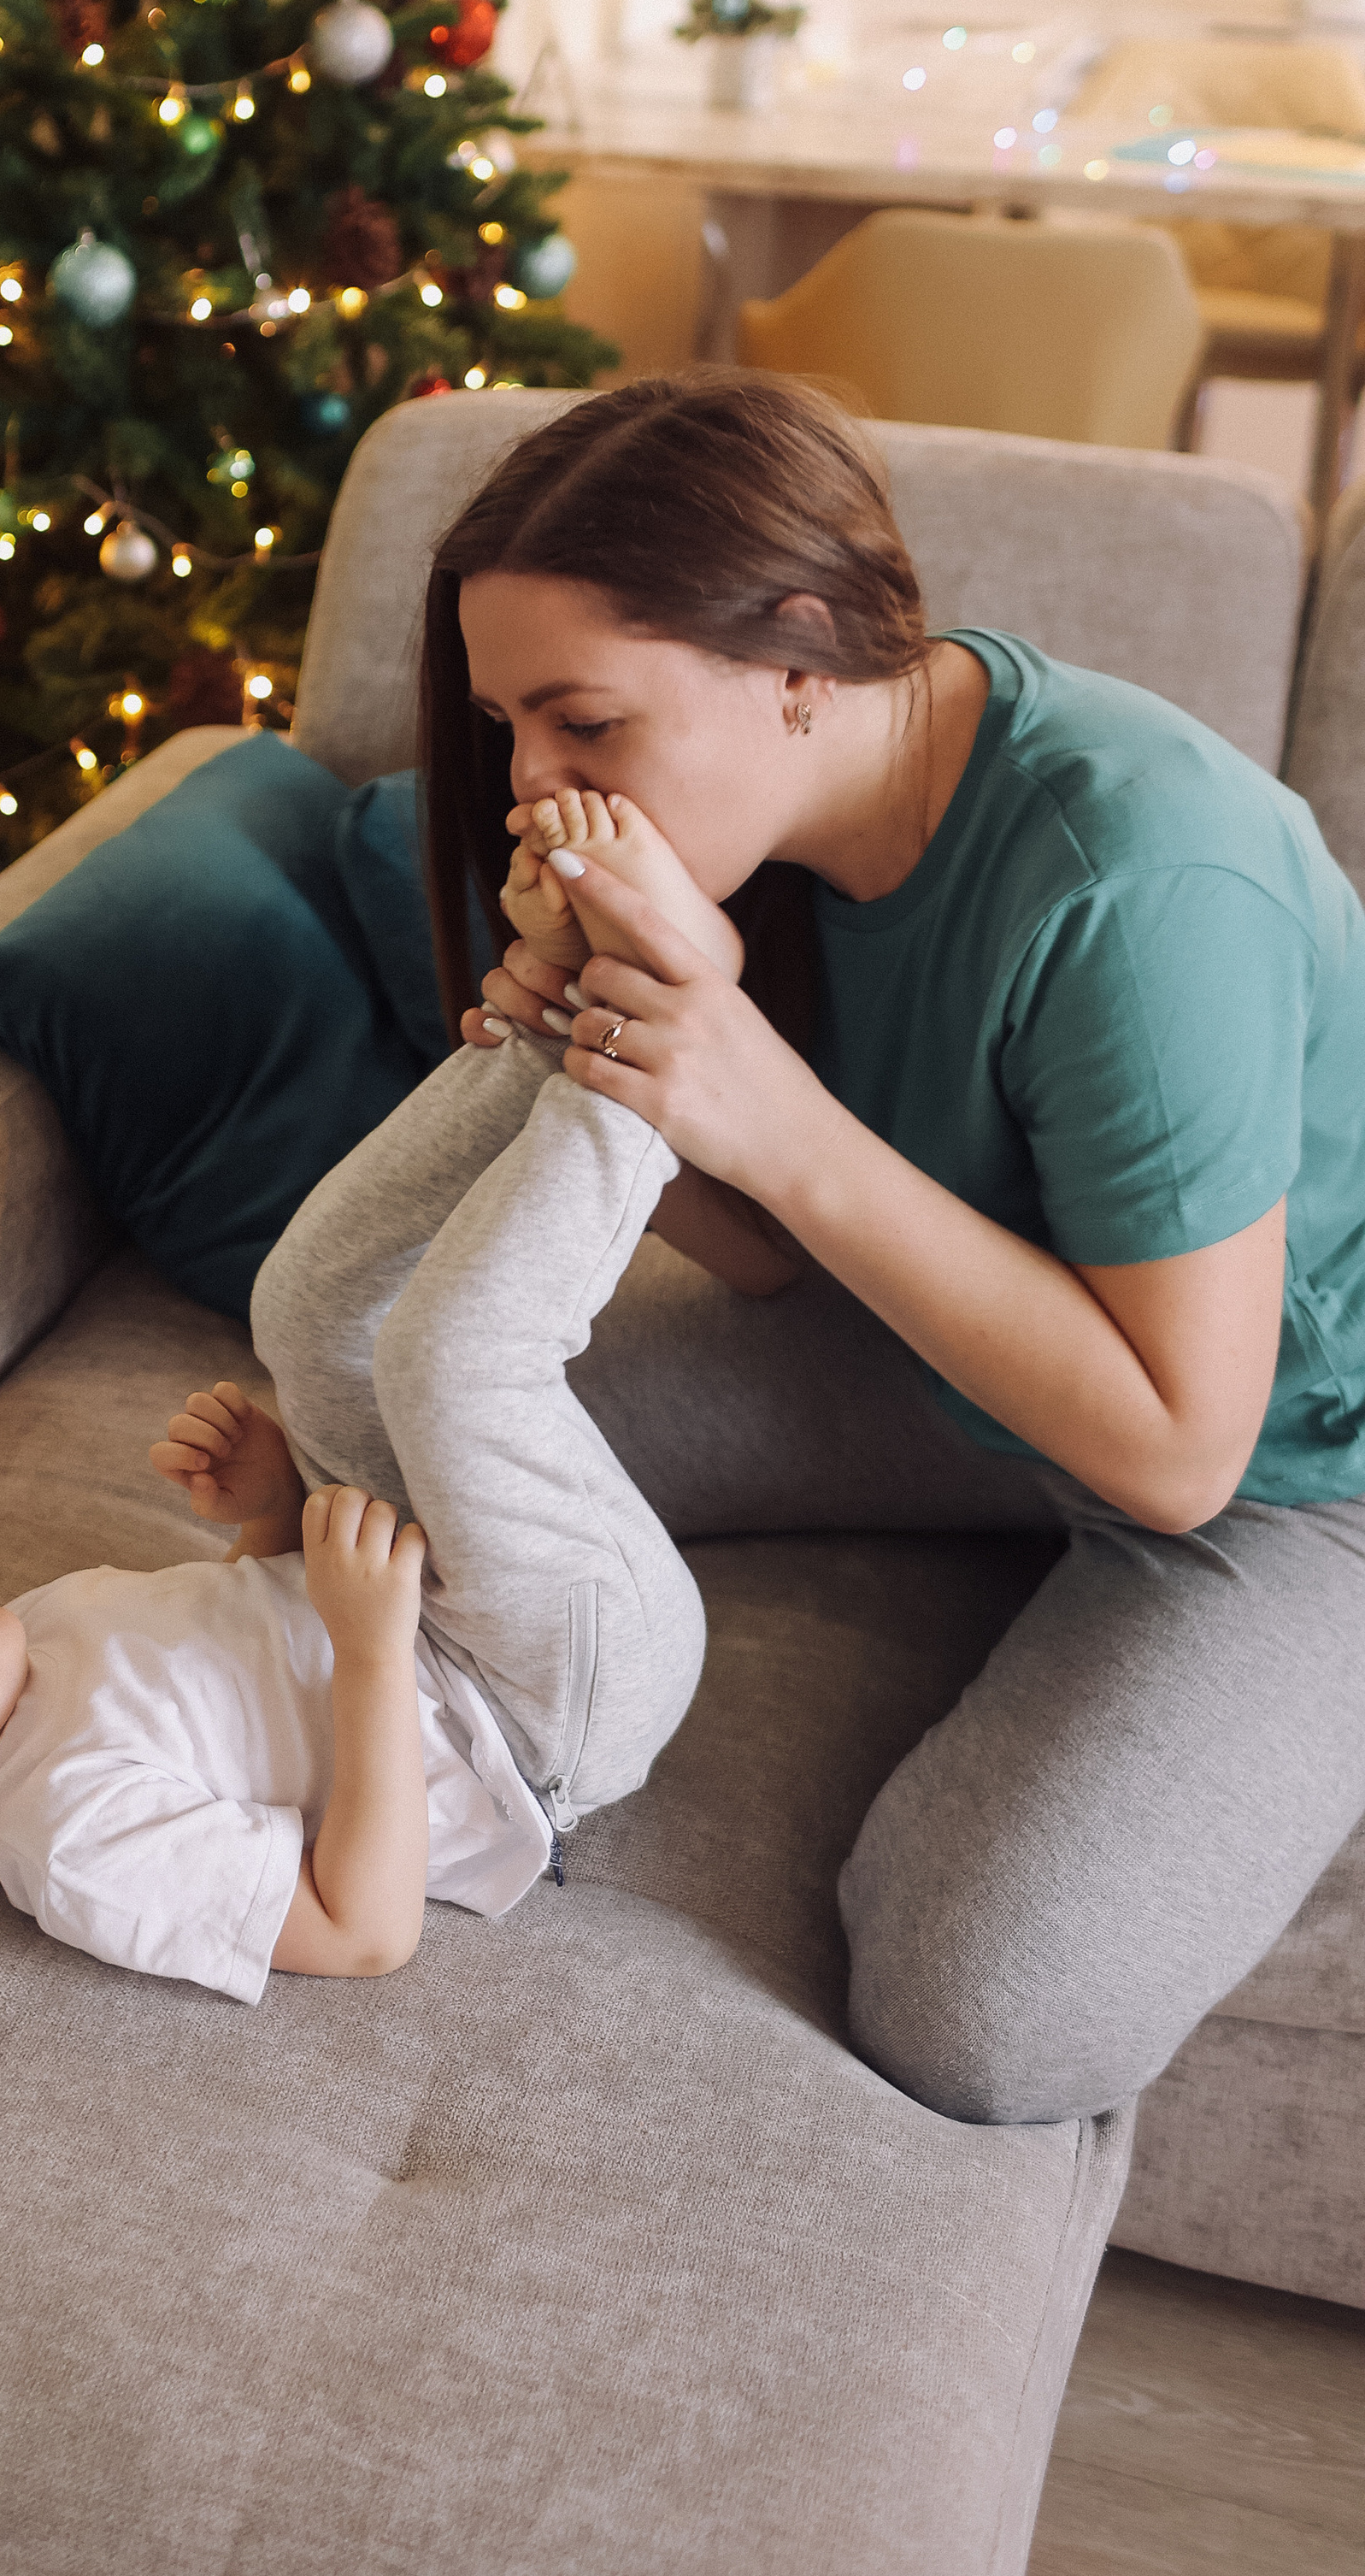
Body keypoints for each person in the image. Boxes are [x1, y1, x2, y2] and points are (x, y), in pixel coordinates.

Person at [422, 368, 1365, 2127]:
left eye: (582, 724)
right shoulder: (766, 835)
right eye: (507, 733)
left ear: (797, 656)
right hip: (946, 1346)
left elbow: (1181, 1453)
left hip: (1288, 1466)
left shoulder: (1135, 877)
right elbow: (775, 1261)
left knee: (981, 2012)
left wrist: (768, 1108)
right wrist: (605, 1048)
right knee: (422, 1445)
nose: (531, 789)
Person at [0, 996, 715, 1996]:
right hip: (540, 1709)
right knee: (448, 1360)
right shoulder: (73, 1839)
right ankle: (652, 1061)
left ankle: (551, 1029)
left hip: (424, 1611)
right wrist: (371, 1654)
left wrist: (268, 1508)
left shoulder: (22, 1649)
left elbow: (243, 1683)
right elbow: (364, 1930)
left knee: (303, 1313)